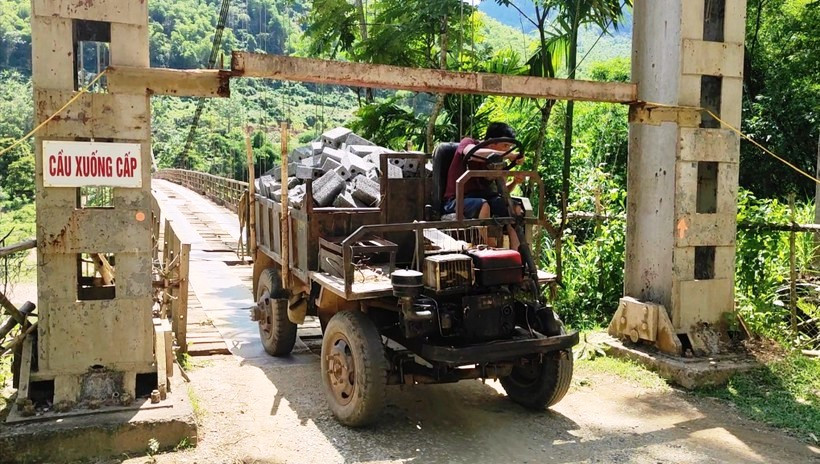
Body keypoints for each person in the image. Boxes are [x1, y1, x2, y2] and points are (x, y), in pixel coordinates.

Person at [442, 122, 522, 250]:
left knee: (513, 207)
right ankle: (489, 249)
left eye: (510, 147)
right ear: (491, 142)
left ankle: (517, 253)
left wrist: (514, 182)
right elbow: (471, 152)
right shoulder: (468, 143)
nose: (508, 150)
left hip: (484, 198)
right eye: (505, 146)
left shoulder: (498, 163)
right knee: (483, 205)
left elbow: (502, 192)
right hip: (457, 200)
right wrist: (507, 155)